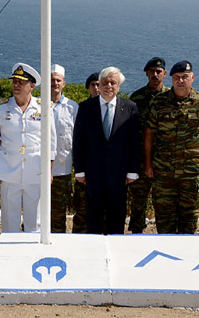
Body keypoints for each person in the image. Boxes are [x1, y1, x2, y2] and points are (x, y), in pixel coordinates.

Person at [144, 61, 199, 234]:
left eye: (185, 77)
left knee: (189, 223)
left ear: (192, 78)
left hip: (191, 175)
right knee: (164, 223)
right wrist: (148, 164)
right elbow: (149, 134)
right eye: (177, 77)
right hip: (164, 173)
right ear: (171, 79)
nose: (180, 81)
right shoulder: (159, 103)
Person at [0, 63, 56, 233]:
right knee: (10, 219)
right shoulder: (1, 109)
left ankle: (32, 252)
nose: (16, 85)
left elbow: (51, 142)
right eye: (14, 81)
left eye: (21, 82)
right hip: (9, 171)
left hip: (36, 171)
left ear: (32, 86)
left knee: (36, 221)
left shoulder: (44, 107)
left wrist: (49, 171)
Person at [73, 67, 139, 234]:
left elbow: (134, 142)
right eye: (105, 83)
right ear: (99, 85)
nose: (109, 86)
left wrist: (133, 171)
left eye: (113, 83)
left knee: (117, 216)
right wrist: (79, 170)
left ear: (119, 86)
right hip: (93, 173)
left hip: (120, 174)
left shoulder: (130, 107)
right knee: (93, 216)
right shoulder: (86, 107)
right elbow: (79, 141)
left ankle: (117, 250)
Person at [128, 57, 168, 234]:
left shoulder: (171, 97)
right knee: (138, 200)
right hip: (140, 159)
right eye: (152, 71)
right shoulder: (136, 98)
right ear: (146, 73)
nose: (155, 74)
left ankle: (164, 235)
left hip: (165, 160)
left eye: (158, 71)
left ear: (165, 74)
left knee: (164, 201)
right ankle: (136, 233)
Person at [49, 64, 80, 233]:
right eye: (52, 80)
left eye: (58, 81)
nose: (55, 84)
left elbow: (77, 139)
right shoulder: (37, 105)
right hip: (38, 169)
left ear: (64, 84)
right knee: (37, 211)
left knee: (58, 212)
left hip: (63, 169)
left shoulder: (73, 107)